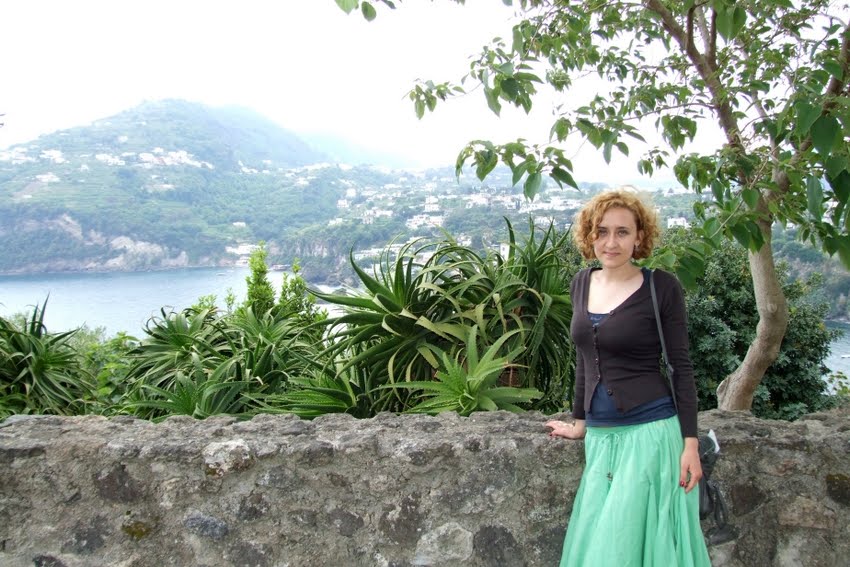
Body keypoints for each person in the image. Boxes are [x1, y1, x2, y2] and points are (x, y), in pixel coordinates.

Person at [546, 190, 711, 566]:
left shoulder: (661, 287)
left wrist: (690, 444)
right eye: (601, 231)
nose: (611, 242)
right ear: (589, 236)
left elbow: (681, 367)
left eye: (622, 232)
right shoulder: (581, 283)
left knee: (620, 552)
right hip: (600, 441)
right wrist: (579, 423)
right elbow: (585, 359)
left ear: (639, 237)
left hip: (650, 436)